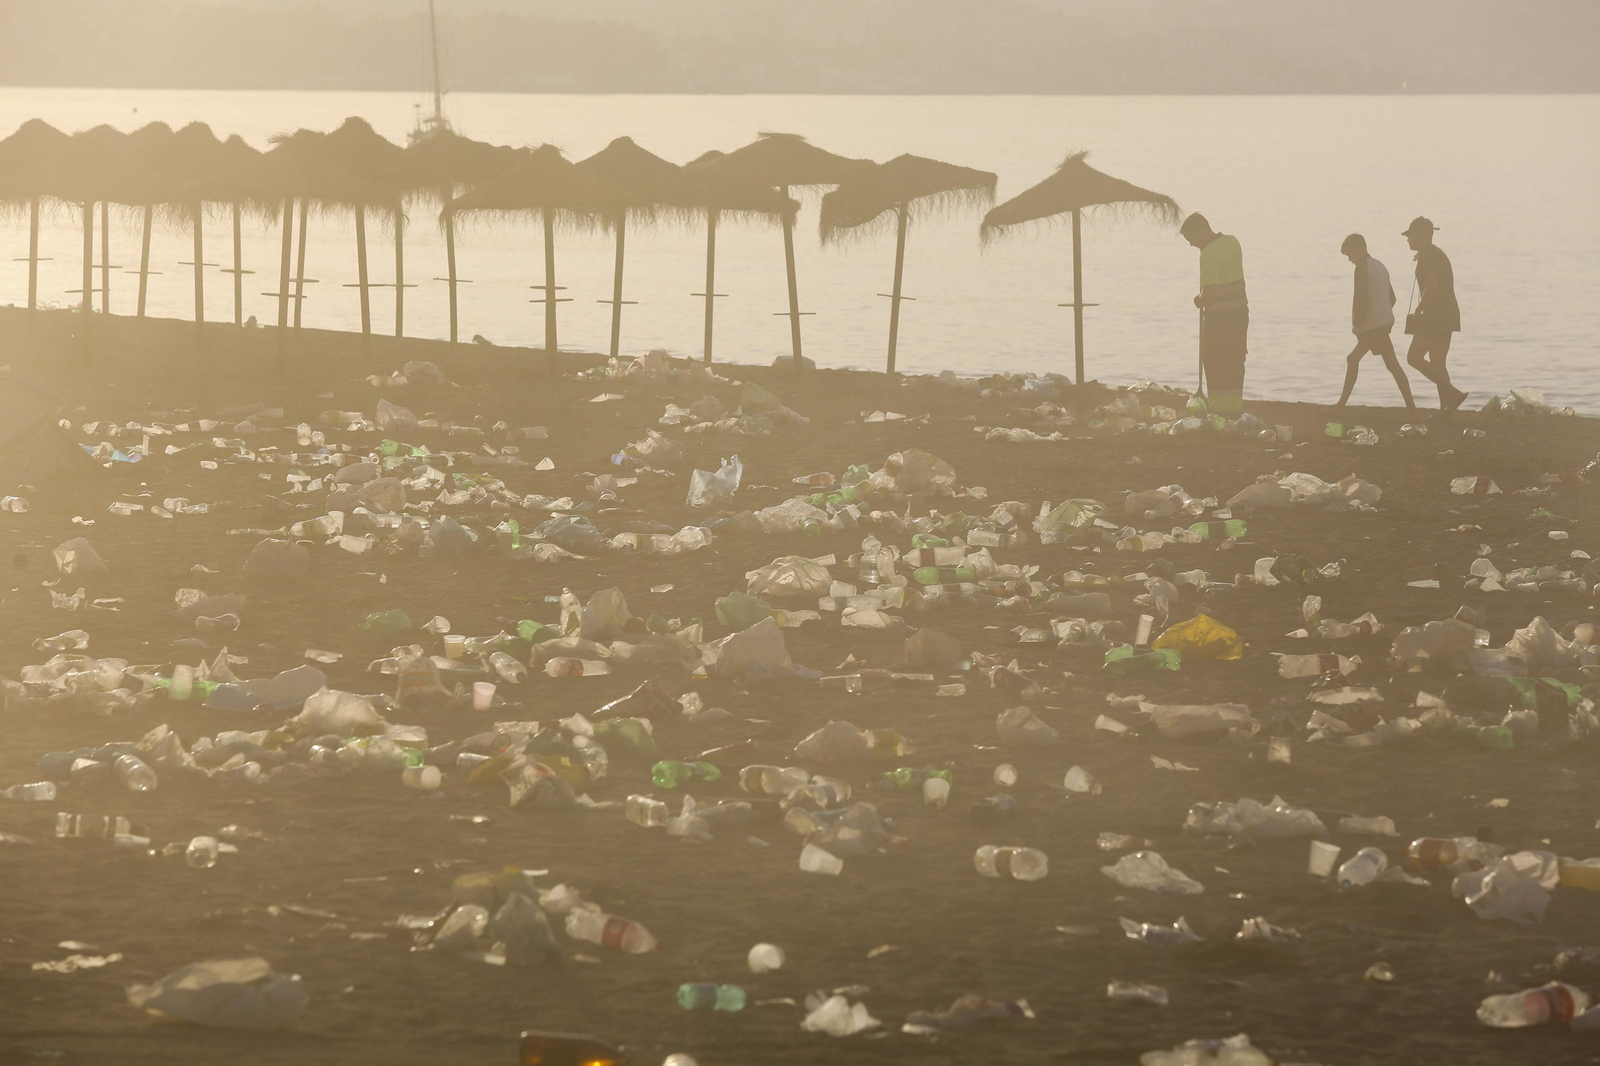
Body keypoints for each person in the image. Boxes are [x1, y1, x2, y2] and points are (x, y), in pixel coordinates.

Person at [1334, 233, 1415, 411]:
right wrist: (1382, 312)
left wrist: (1359, 325)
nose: (1349, 259)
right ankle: (1411, 408)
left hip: (1372, 326)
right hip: (1383, 323)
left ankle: (1340, 406)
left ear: (1357, 248)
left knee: (1353, 359)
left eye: (1349, 254)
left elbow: (1361, 299)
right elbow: (1392, 298)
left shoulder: (1362, 267)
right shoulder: (1380, 266)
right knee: (1392, 365)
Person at [1180, 213, 1247, 417]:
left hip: (1220, 317)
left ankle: (1218, 408)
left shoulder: (1207, 254)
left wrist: (1199, 300)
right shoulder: (1233, 241)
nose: (1191, 244)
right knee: (1235, 359)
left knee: (1215, 361)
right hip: (1241, 312)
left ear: (1200, 230)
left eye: (1190, 238)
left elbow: (1210, 291)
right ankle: (1234, 407)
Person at [1401, 216, 1468, 412]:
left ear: (1420, 237)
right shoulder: (1434, 254)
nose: (1408, 240)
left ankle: (1452, 393)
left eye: (1410, 236)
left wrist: (1419, 309)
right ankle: (1446, 409)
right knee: (1438, 363)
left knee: (1413, 358)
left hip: (1435, 316)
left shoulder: (1429, 256)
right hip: (1448, 314)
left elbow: (1432, 286)